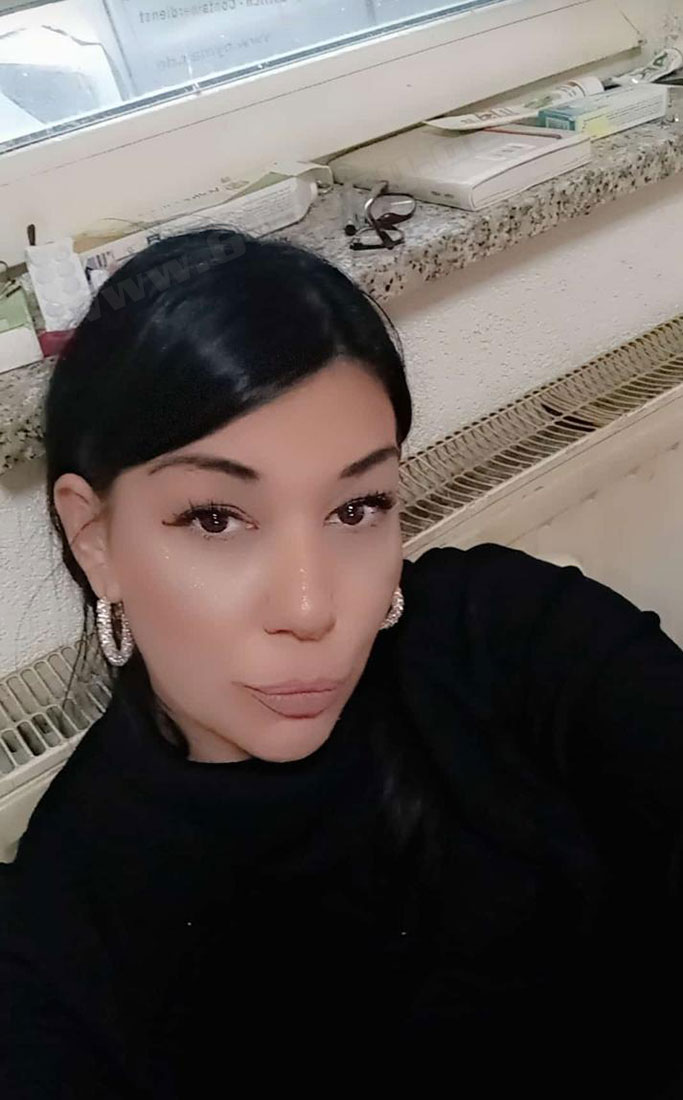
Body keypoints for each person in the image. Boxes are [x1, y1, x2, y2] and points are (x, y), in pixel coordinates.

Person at [1, 226, 683, 1098]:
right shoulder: (61, 944)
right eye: (216, 519)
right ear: (94, 536)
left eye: (356, 508)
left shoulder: (512, 636)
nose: (309, 607)